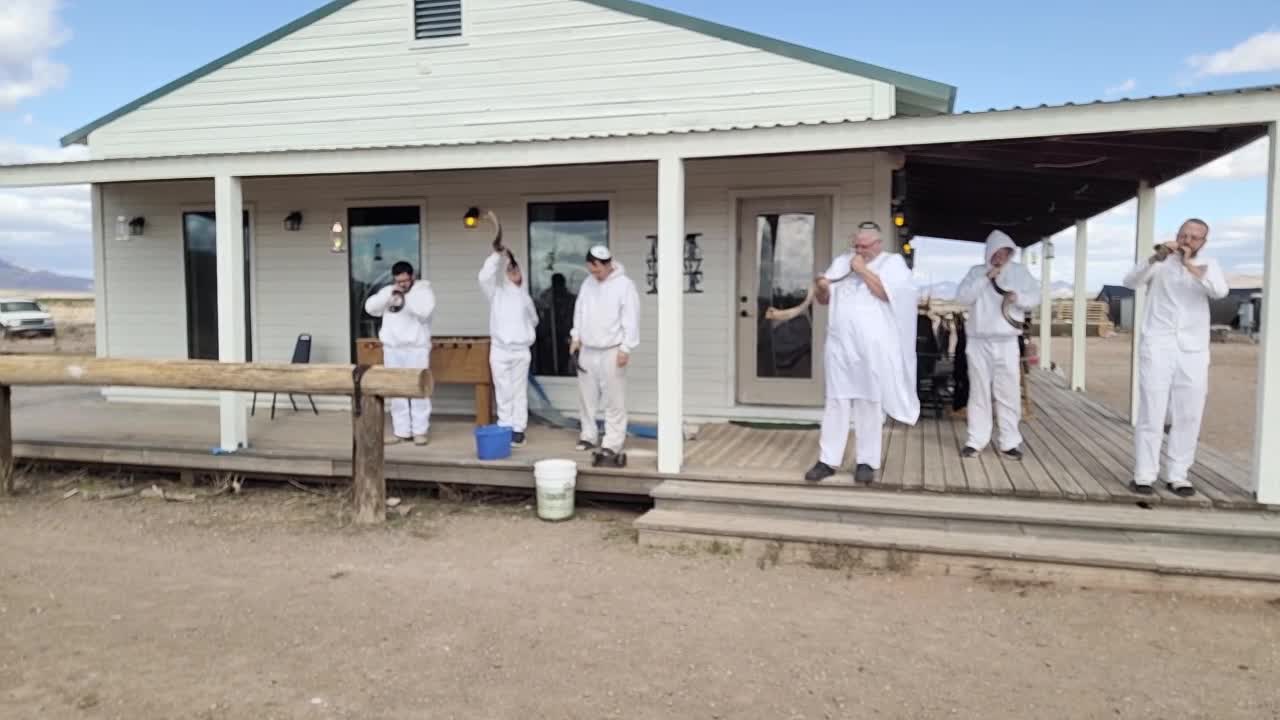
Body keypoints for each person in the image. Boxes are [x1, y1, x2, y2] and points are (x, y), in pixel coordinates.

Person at [805, 222, 919, 484]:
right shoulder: (841, 261)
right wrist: (822, 286)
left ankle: (866, 461)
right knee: (836, 401)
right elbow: (825, 300)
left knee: (869, 403)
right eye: (856, 245)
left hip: (872, 347)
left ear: (878, 244)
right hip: (840, 345)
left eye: (864, 246)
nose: (858, 250)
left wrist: (862, 269)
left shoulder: (892, 263)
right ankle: (827, 460)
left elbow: (886, 294)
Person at [1122, 218, 1228, 497]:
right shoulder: (1159, 262)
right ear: (1176, 235)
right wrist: (1155, 257)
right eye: (1184, 235)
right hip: (1159, 345)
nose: (1187, 241)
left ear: (1203, 243)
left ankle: (1178, 474)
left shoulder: (1210, 266)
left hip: (1193, 349)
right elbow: (1130, 281)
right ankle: (1144, 474)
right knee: (1152, 409)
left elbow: (1219, 291)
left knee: (1189, 413)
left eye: (1194, 238)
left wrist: (1191, 267)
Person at [954, 230, 1041, 460]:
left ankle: (1009, 441)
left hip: (1007, 341)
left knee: (1008, 392)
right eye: (997, 252)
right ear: (989, 252)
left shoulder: (1020, 273)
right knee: (979, 391)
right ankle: (976, 439)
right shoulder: (976, 273)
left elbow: (1035, 297)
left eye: (1005, 253)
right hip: (979, 341)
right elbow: (963, 297)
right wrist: (986, 279)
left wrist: (1018, 298)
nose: (1001, 257)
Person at [568, 245, 640, 461]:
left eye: (597, 270)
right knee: (586, 396)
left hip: (612, 349)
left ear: (607, 264)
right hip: (588, 348)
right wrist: (575, 337)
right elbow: (579, 311)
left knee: (614, 399)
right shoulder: (588, 283)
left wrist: (626, 347)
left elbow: (631, 317)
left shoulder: (625, 285)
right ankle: (588, 435)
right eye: (591, 270)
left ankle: (612, 442)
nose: (594, 274)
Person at [364, 261, 436, 446]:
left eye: (405, 280)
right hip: (393, 349)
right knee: (396, 391)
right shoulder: (388, 291)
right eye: (399, 281)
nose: (402, 284)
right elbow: (370, 308)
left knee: (418, 389)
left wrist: (405, 297)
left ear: (412, 277)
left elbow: (424, 313)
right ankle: (402, 431)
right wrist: (389, 296)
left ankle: (420, 431)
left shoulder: (424, 291)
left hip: (416, 348)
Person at [478, 247, 538, 447]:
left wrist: (525, 334)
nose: (514, 273)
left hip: (520, 350)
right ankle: (505, 425)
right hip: (500, 349)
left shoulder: (525, 297)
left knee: (518, 390)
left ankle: (518, 429)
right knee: (503, 389)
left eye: (516, 270)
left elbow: (534, 320)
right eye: (510, 270)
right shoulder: (496, 293)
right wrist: (496, 255)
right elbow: (484, 277)